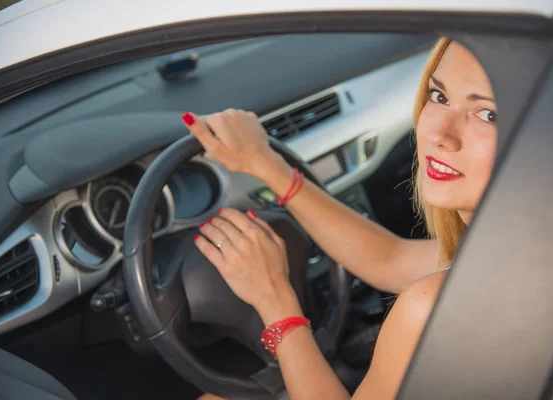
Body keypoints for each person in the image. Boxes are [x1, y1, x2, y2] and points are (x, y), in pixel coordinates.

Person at [184, 37, 498, 399]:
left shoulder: (430, 307)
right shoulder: (499, 256)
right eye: (439, 96)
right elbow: (390, 259)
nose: (439, 134)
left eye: (487, 114)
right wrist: (267, 167)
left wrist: (274, 299)